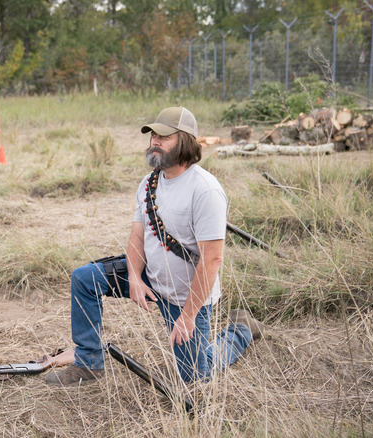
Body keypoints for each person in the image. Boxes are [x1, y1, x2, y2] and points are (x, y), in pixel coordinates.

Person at [45, 107, 263, 386]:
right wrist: (134, 278)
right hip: (150, 277)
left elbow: (211, 260)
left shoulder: (205, 190)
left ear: (184, 141)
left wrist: (187, 317)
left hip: (186, 296)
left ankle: (240, 331)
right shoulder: (149, 183)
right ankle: (89, 364)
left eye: (164, 136)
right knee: (85, 279)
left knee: (196, 377)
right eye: (153, 135)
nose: (154, 141)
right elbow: (138, 236)